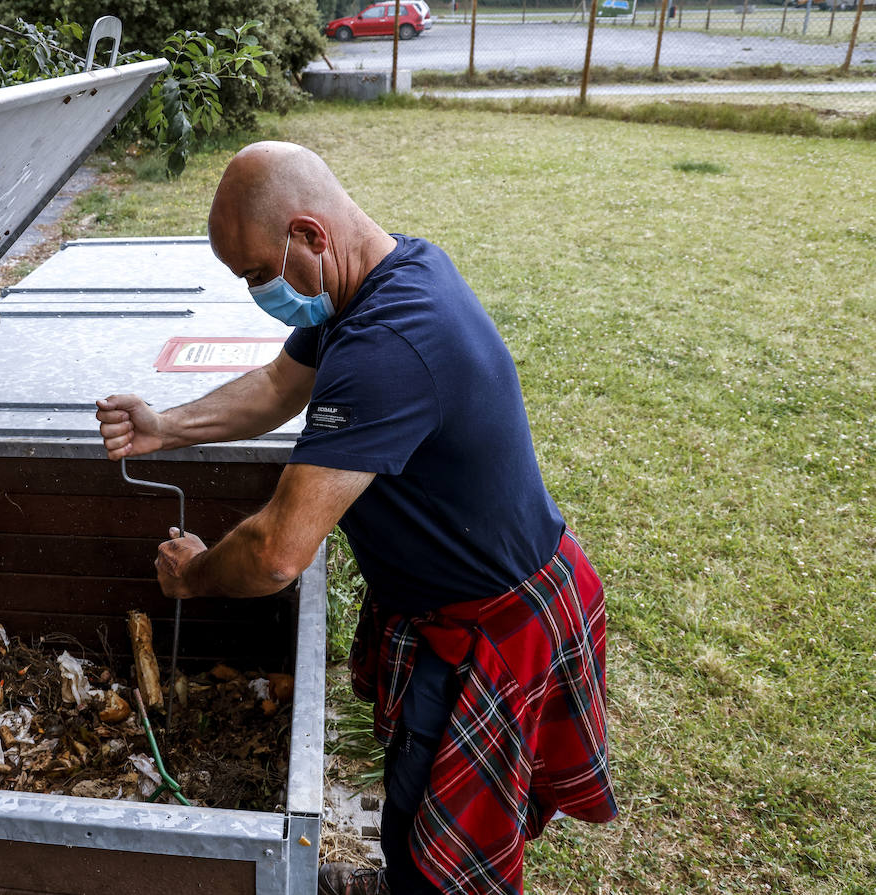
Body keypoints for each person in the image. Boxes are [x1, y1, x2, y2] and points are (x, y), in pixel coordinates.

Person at [95, 141, 617, 895]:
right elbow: (280, 384)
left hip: (494, 629)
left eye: (255, 274)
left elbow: (279, 552)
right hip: (472, 594)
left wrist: (193, 576)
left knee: (433, 824)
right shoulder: (378, 278)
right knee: (414, 811)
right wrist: (165, 427)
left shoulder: (386, 345)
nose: (255, 292)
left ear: (310, 235)